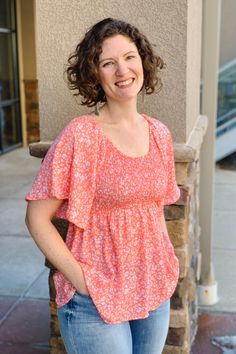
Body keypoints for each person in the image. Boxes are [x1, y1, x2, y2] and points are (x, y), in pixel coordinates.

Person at [25, 18, 180, 354]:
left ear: (142, 61)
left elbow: (155, 210)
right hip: (95, 297)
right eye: (108, 63)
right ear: (94, 74)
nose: (122, 70)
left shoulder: (159, 134)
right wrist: (81, 280)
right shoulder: (81, 136)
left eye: (129, 57)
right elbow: (37, 218)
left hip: (153, 289)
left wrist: (164, 262)